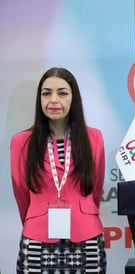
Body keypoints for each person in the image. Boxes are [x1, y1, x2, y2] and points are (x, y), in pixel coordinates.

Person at [10, 67, 107, 273]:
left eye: (62, 93)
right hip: (37, 236)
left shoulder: (94, 138)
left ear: (73, 98)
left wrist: (83, 211)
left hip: (86, 234)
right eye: (46, 93)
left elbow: (95, 188)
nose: (53, 100)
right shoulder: (21, 142)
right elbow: (21, 192)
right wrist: (36, 216)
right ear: (40, 99)